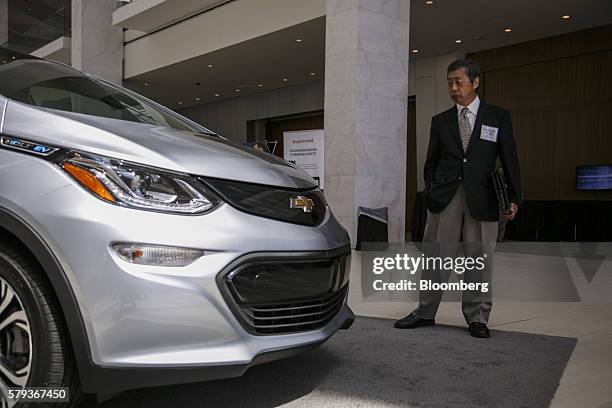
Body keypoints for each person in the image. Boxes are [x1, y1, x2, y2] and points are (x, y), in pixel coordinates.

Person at [394, 58, 522, 338]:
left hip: (484, 198)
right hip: (445, 197)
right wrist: (432, 188)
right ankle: (425, 312)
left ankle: (477, 317)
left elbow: (510, 159)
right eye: (449, 82)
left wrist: (514, 196)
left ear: (475, 82)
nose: (453, 87)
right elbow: (431, 161)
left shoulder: (497, 117)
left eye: (458, 82)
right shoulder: (440, 121)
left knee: (479, 260)